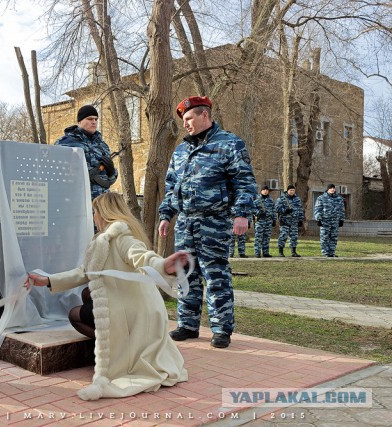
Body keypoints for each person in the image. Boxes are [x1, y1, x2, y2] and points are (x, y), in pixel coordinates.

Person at [25, 192, 189, 400]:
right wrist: (48, 280)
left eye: (94, 212)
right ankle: (117, 342)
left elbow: (141, 256)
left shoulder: (121, 238)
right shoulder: (110, 238)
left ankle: (117, 348)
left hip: (133, 315)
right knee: (87, 294)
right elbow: (85, 272)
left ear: (103, 214)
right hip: (144, 309)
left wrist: (162, 265)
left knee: (75, 314)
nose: (93, 216)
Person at [158, 96, 257, 349]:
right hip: (185, 223)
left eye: (189, 119)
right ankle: (188, 325)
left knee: (216, 275)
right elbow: (171, 186)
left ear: (205, 115)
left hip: (214, 222)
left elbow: (244, 182)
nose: (186, 125)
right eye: (183, 120)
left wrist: (241, 213)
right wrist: (166, 215)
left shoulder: (230, 144)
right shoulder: (181, 150)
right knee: (186, 275)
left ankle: (221, 329)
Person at [55, 105, 118, 200]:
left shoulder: (102, 146)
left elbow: (109, 181)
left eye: (96, 119)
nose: (94, 122)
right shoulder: (65, 143)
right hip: (77, 201)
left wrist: (111, 172)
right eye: (90, 119)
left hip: (102, 204)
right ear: (80, 121)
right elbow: (57, 175)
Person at [314, 183, 345, 257]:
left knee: (334, 237)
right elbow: (318, 209)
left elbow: (342, 210)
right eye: (331, 188)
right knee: (324, 237)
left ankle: (332, 252)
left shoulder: (339, 198)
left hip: (335, 221)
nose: (332, 189)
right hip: (325, 221)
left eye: (333, 188)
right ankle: (325, 253)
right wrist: (318, 219)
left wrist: (341, 219)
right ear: (328, 189)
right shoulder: (321, 198)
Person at [275, 184, 304, 257]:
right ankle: (280, 252)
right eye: (290, 190)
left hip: (294, 221)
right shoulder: (281, 198)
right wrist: (285, 211)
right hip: (285, 221)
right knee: (283, 236)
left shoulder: (297, 199)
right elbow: (276, 208)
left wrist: (300, 219)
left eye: (293, 190)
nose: (292, 192)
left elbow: (300, 209)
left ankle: (293, 252)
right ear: (287, 191)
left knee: (294, 237)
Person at [253, 185, 277, 257]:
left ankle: (265, 252)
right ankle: (257, 253)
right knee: (258, 237)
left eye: (267, 190)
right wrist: (258, 213)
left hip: (268, 221)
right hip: (260, 221)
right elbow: (253, 209)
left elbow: (274, 210)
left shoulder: (271, 200)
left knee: (267, 237)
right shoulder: (257, 200)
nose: (265, 191)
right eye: (264, 190)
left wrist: (274, 219)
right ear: (261, 191)